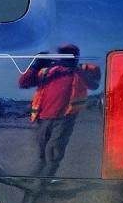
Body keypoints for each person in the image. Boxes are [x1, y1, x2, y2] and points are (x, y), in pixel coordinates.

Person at [18, 43, 101, 177]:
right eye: (63, 53)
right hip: (43, 119)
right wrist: (35, 65)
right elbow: (23, 83)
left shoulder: (81, 71)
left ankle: (45, 180)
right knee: (41, 150)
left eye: (70, 53)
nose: (67, 56)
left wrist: (77, 69)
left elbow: (94, 85)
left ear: (77, 56)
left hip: (65, 119)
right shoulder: (49, 71)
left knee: (54, 150)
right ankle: (38, 174)